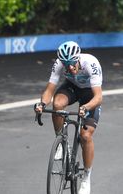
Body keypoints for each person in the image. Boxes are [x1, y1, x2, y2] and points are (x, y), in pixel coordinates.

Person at [34, 41, 103, 194]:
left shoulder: (90, 63)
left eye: (72, 64)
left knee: (85, 136)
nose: (70, 68)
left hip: (89, 95)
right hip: (71, 88)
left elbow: (98, 97)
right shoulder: (59, 64)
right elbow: (49, 90)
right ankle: (61, 142)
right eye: (67, 65)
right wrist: (42, 104)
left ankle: (86, 177)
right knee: (57, 105)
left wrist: (85, 107)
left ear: (78, 59)